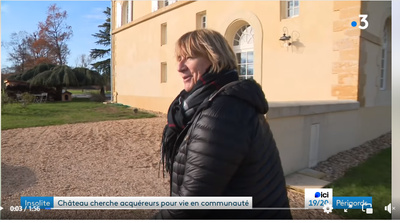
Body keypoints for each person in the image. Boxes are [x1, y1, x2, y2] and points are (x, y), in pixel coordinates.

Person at [154, 29, 292, 219]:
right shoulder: (211, 103)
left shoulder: (223, 111)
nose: (179, 67)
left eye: (189, 57)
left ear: (215, 58)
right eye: (179, 58)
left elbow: (190, 206)